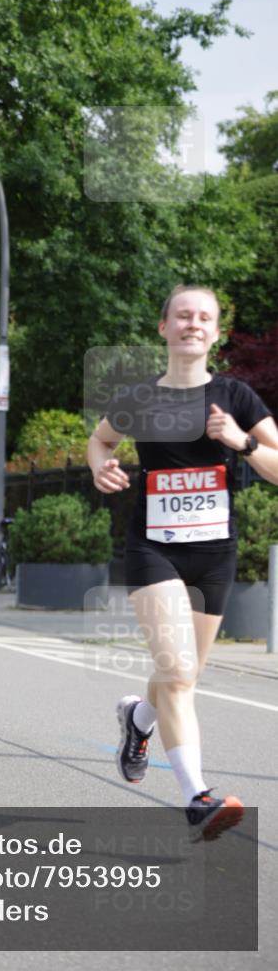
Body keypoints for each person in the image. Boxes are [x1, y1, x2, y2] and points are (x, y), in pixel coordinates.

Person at [88, 285, 278, 839]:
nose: (193, 324)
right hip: (155, 548)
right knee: (175, 672)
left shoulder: (237, 397)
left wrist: (242, 443)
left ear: (215, 332)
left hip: (215, 553)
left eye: (205, 317)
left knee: (184, 674)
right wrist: (103, 466)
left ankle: (138, 718)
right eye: (183, 316)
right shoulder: (138, 398)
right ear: (164, 327)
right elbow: (101, 442)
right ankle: (197, 797)